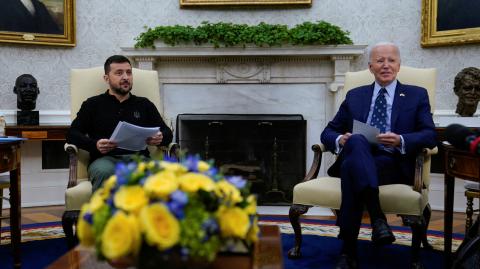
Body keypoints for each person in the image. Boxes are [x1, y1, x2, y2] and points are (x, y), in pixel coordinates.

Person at [320, 42, 437, 269]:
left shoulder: (416, 95)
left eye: (391, 60)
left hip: (392, 162)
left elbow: (429, 135)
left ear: (399, 65)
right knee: (355, 141)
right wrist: (339, 139)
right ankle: (378, 218)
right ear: (370, 66)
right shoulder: (355, 95)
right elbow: (328, 132)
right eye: (380, 61)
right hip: (359, 155)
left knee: (350, 169)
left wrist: (401, 140)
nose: (386, 65)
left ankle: (348, 253)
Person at [67, 55, 173, 192]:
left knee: (159, 173)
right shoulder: (93, 104)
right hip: (105, 159)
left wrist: (160, 137)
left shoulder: (144, 104)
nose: (126, 77)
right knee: (104, 172)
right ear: (106, 78)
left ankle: (151, 213)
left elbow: (167, 132)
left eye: (129, 73)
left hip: (139, 159)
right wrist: (95, 145)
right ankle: (103, 213)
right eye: (119, 73)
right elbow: (72, 134)